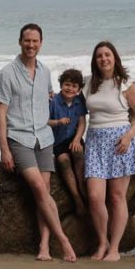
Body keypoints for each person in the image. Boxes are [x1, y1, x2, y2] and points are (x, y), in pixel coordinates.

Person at [0, 23, 77, 262]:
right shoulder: (7, 73)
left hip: (44, 137)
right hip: (19, 138)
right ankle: (63, 241)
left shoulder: (45, 72)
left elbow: (50, 97)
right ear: (20, 42)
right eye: (27, 41)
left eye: (35, 41)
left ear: (41, 43)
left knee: (45, 191)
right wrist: (4, 149)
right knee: (39, 188)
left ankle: (44, 246)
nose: (31, 45)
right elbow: (0, 113)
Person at [82, 42, 135, 261]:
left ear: (115, 58)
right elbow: (69, 98)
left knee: (117, 197)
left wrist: (129, 136)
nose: (103, 59)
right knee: (95, 196)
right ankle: (103, 242)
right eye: (99, 56)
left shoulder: (126, 83)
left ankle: (114, 249)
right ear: (95, 60)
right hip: (94, 142)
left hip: (120, 142)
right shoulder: (88, 82)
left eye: (107, 54)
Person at [48, 69, 87, 216]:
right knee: (63, 160)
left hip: (73, 138)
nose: (70, 89)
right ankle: (77, 199)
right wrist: (58, 122)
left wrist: (77, 139)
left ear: (79, 89)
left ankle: (84, 191)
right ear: (61, 85)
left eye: (74, 86)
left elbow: (82, 122)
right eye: (67, 85)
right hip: (58, 142)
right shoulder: (53, 101)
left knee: (78, 153)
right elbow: (44, 121)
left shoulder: (79, 101)